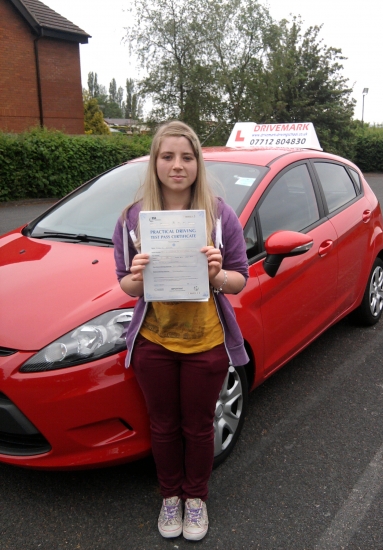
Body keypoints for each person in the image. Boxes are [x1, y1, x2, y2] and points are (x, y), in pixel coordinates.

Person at [112, 121, 249, 541]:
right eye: (167, 157)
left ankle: (196, 500)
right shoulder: (132, 219)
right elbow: (125, 284)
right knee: (164, 425)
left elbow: (240, 278)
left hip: (206, 342)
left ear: (198, 163)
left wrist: (217, 274)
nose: (177, 166)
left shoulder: (220, 214)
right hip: (154, 342)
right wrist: (137, 275)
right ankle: (170, 496)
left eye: (186, 157)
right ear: (154, 163)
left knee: (198, 426)